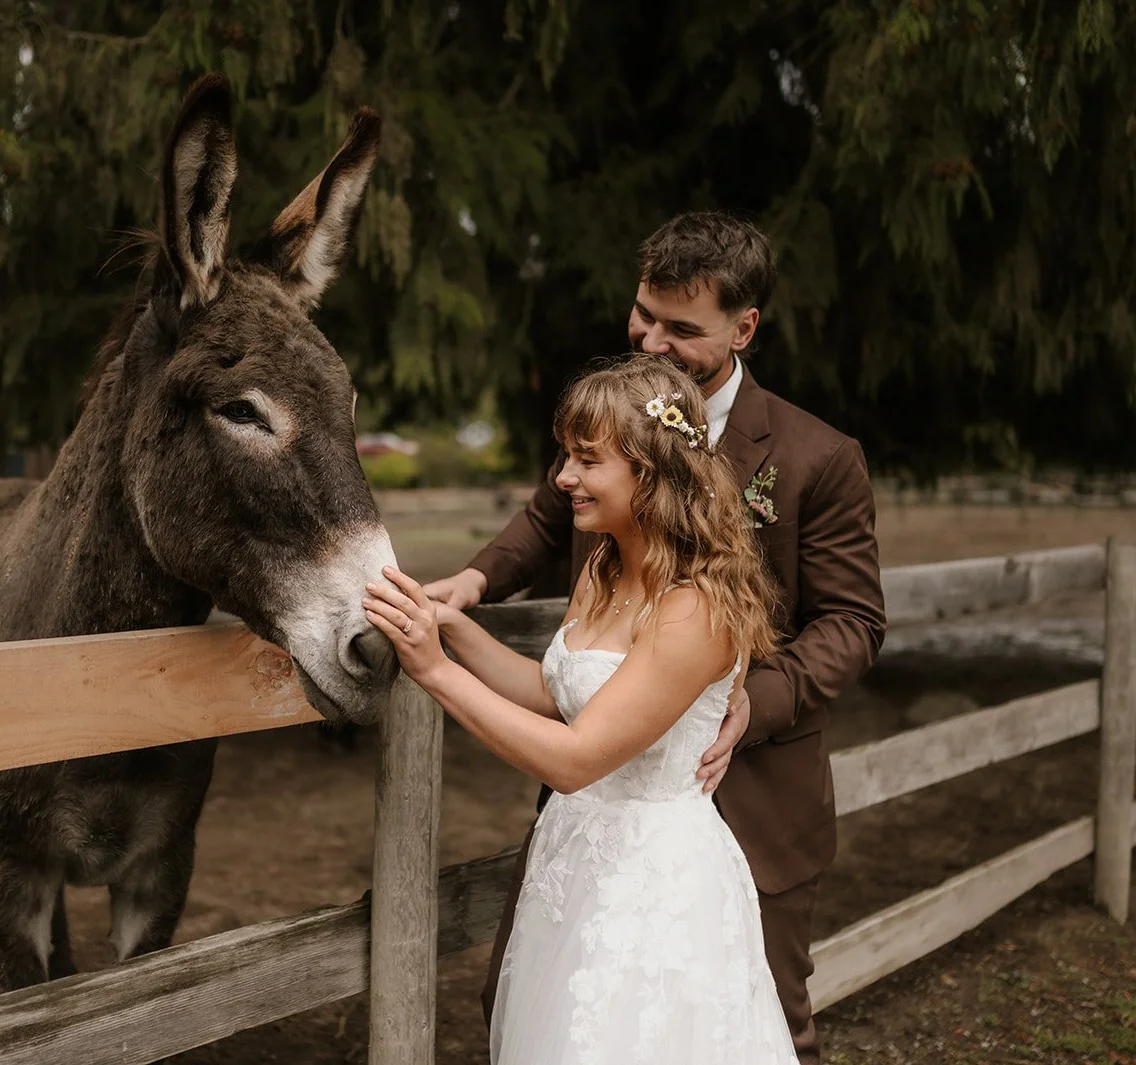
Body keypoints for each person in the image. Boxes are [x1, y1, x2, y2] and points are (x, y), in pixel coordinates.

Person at [425, 212, 887, 1063]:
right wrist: (475, 584)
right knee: (540, 1003)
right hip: (602, 802)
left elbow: (855, 621)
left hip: (749, 792)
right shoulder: (609, 432)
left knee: (752, 1017)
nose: (652, 339)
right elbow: (542, 517)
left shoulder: (816, 457)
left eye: (683, 327)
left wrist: (756, 700)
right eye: (644, 315)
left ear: (744, 327)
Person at [365, 357, 797, 1063]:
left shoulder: (695, 609)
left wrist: (433, 670)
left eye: (586, 459)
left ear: (652, 473)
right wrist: (448, 624)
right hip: (573, 860)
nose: (563, 476)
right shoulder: (604, 565)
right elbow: (555, 691)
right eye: (566, 454)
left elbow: (574, 757)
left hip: (653, 882)